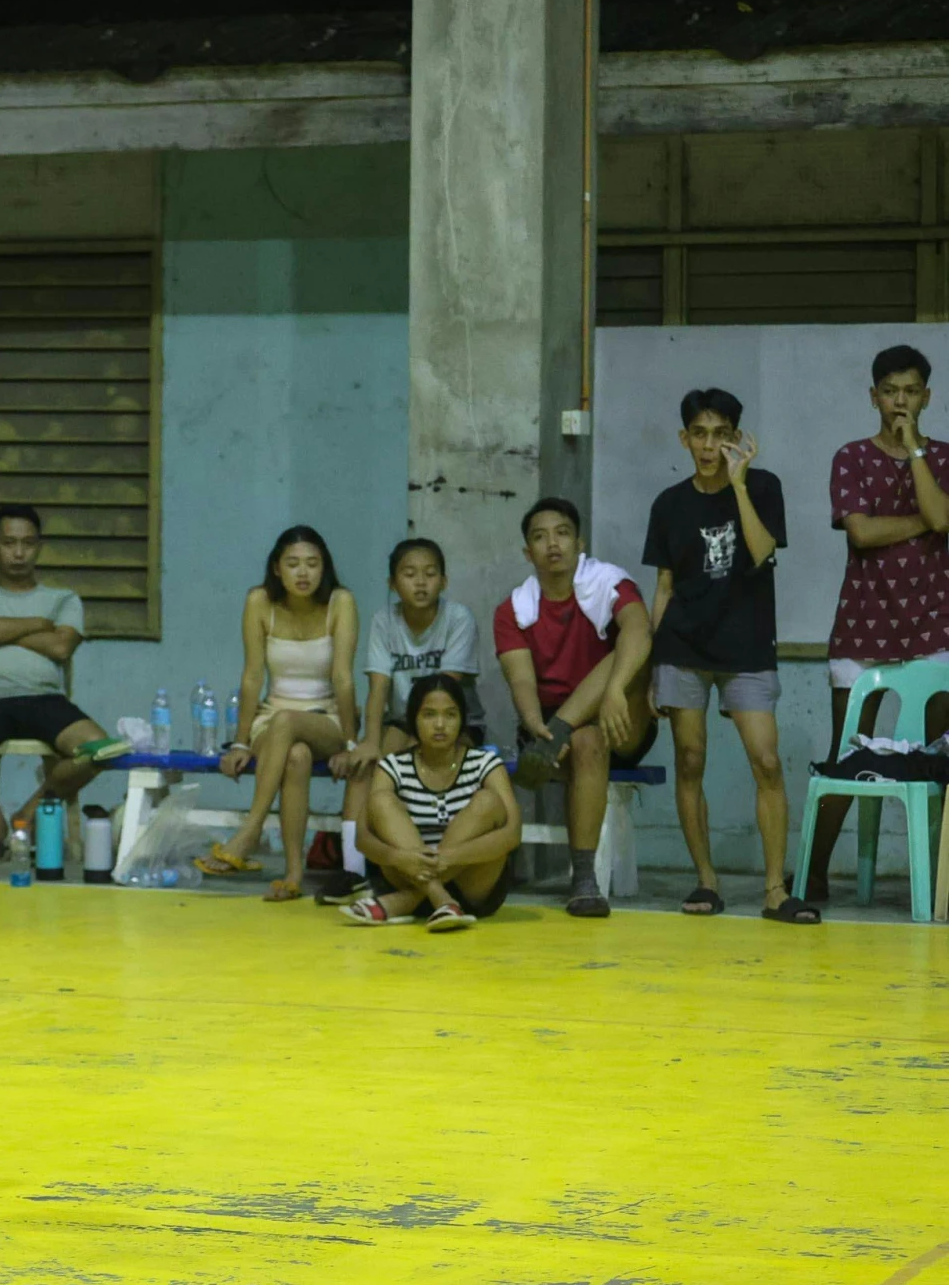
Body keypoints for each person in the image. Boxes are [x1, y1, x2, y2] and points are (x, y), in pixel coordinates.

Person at [643, 388, 816, 924]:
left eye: (721, 434)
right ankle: (706, 880)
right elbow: (664, 585)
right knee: (690, 760)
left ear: (737, 439)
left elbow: (762, 553)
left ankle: (773, 890)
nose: (709, 444)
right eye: (700, 433)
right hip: (682, 646)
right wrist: (652, 666)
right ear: (684, 438)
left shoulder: (763, 487)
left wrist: (738, 487)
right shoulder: (669, 504)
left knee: (766, 760)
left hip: (746, 646)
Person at [805, 344, 949, 902]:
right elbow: (861, 533)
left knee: (940, 754)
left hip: (935, 625)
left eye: (911, 392)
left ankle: (937, 882)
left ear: (927, 397)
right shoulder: (851, 457)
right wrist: (924, 524)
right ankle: (813, 871)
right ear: (873, 397)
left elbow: (943, 516)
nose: (900, 401)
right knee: (846, 758)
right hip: (863, 626)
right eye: (891, 392)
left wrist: (915, 450)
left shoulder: (943, 457)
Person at [494, 496, 657, 919]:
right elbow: (522, 681)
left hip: (621, 717)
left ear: (579, 543)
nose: (553, 544)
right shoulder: (513, 610)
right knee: (584, 739)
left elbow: (640, 630)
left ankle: (564, 729)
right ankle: (584, 879)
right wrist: (538, 728)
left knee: (618, 655)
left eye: (562, 533)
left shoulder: (610, 583)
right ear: (527, 552)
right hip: (554, 732)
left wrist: (617, 688)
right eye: (540, 536)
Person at [0, 506, 123, 864]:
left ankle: (28, 815)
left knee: (99, 748)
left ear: (39, 546)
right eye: (9, 543)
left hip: (46, 699)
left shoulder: (64, 600)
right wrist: (38, 624)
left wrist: (0, 631)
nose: (18, 552)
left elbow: (61, 646)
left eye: (27, 543)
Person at [200, 527, 361, 902]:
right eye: (293, 564)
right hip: (270, 718)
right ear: (277, 569)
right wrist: (241, 741)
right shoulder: (259, 601)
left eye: (312, 564)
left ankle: (250, 830)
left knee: (287, 723)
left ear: (325, 568)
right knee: (296, 756)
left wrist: (351, 744)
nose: (303, 573)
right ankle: (292, 874)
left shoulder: (341, 602)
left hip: (327, 720)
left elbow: (343, 677)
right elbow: (252, 675)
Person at [319, 538, 481, 903]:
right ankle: (354, 871)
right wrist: (370, 741)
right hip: (401, 720)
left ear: (444, 580)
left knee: (423, 761)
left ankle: (434, 866)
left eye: (430, 574)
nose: (420, 583)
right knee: (366, 765)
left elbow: (447, 691)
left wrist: (414, 743)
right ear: (393, 583)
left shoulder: (458, 619)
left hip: (451, 721)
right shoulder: (384, 621)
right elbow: (378, 688)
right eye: (409, 574)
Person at [343, 673, 521, 930]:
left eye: (450, 715)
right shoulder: (393, 766)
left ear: (462, 721)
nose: (440, 724)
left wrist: (450, 857)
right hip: (406, 874)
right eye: (429, 715)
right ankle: (440, 898)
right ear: (414, 720)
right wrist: (398, 858)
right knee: (380, 800)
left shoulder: (485, 764)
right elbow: (363, 838)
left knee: (488, 801)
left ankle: (406, 902)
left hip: (473, 888)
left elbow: (513, 834)